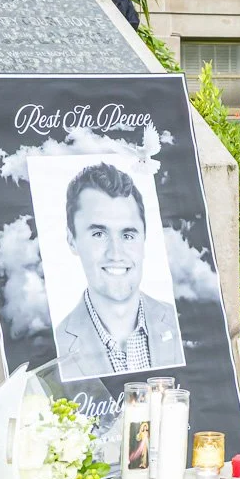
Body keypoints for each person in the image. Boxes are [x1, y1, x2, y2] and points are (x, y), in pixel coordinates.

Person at [55, 162, 185, 380]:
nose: (116, 253)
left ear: (144, 238)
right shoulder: (55, 345)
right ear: (72, 240)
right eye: (98, 233)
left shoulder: (181, 323)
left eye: (128, 235)